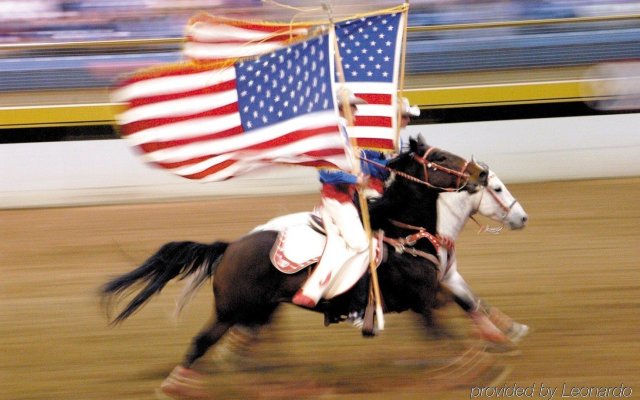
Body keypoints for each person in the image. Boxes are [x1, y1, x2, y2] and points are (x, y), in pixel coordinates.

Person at [292, 89, 371, 309]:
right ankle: (333, 293)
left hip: (343, 196)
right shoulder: (332, 133)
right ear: (343, 108)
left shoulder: (343, 131)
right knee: (360, 245)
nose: (356, 110)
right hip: (337, 199)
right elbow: (326, 173)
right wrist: (355, 178)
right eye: (353, 106)